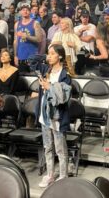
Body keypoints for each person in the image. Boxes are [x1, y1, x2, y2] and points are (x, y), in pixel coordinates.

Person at [38, 44, 71, 188]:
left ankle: (63, 175)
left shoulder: (65, 75)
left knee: (60, 149)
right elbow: (32, 60)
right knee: (48, 147)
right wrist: (44, 55)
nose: (49, 56)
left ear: (60, 56)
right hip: (44, 116)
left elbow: (63, 97)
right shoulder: (46, 71)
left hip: (57, 116)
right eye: (48, 54)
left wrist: (49, 87)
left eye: (52, 54)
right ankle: (50, 174)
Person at [14, 4, 42, 72]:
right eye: (23, 10)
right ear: (20, 12)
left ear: (30, 12)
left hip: (33, 57)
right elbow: (15, 41)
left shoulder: (35, 23)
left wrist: (27, 36)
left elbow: (39, 39)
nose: (25, 11)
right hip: (21, 57)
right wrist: (15, 56)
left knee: (34, 79)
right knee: (22, 80)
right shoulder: (17, 24)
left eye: (27, 10)